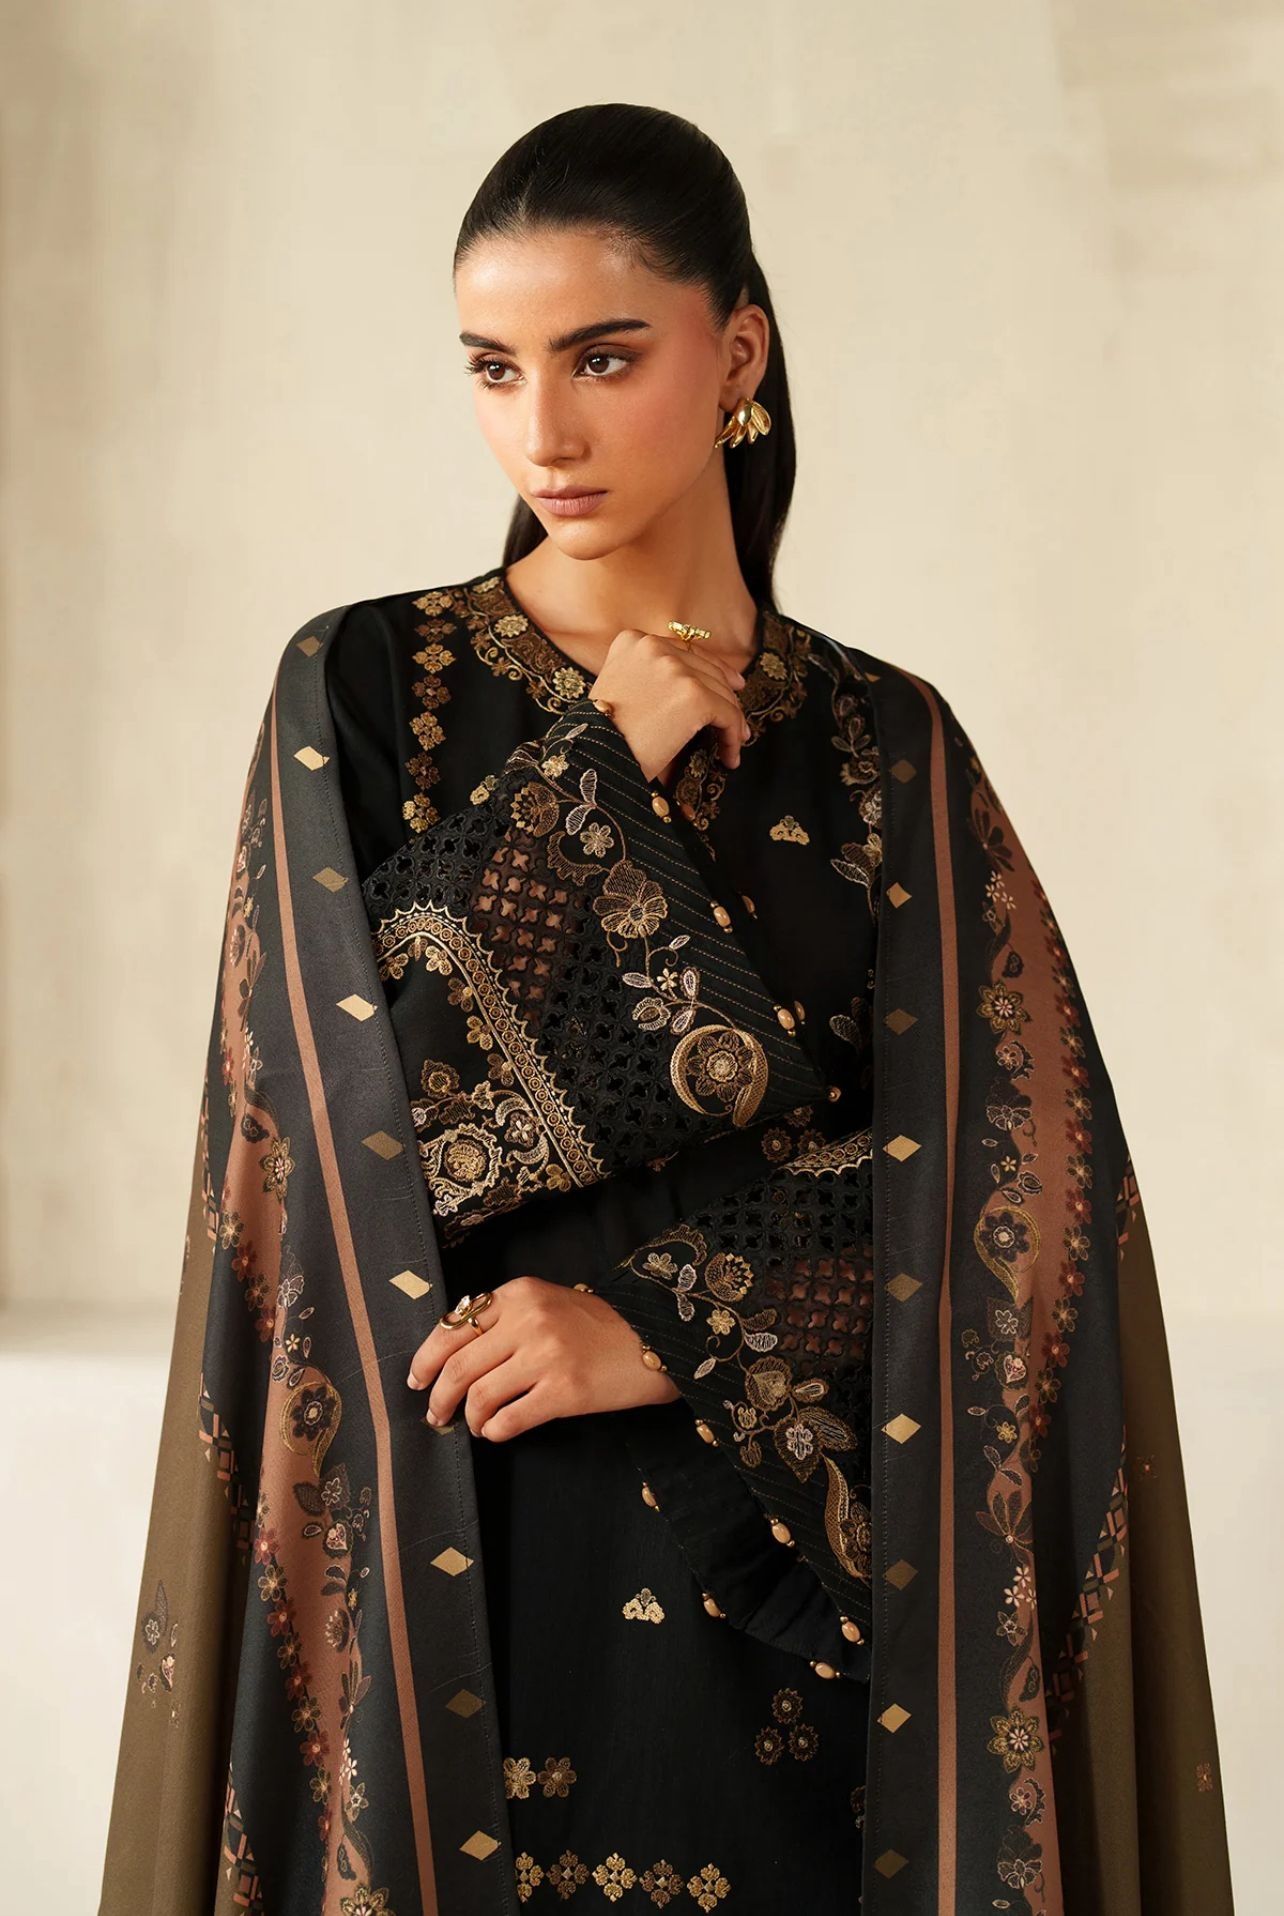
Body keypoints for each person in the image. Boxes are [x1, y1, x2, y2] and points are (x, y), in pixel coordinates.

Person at [99, 103, 1233, 1916]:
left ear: (739, 355)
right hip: (466, 1572)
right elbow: (330, 1134)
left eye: (603, 358)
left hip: (796, 1633)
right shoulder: (363, 683)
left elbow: (1030, 1204)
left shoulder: (888, 745)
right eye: (494, 367)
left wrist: (660, 1321)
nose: (541, 431)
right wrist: (602, 758)